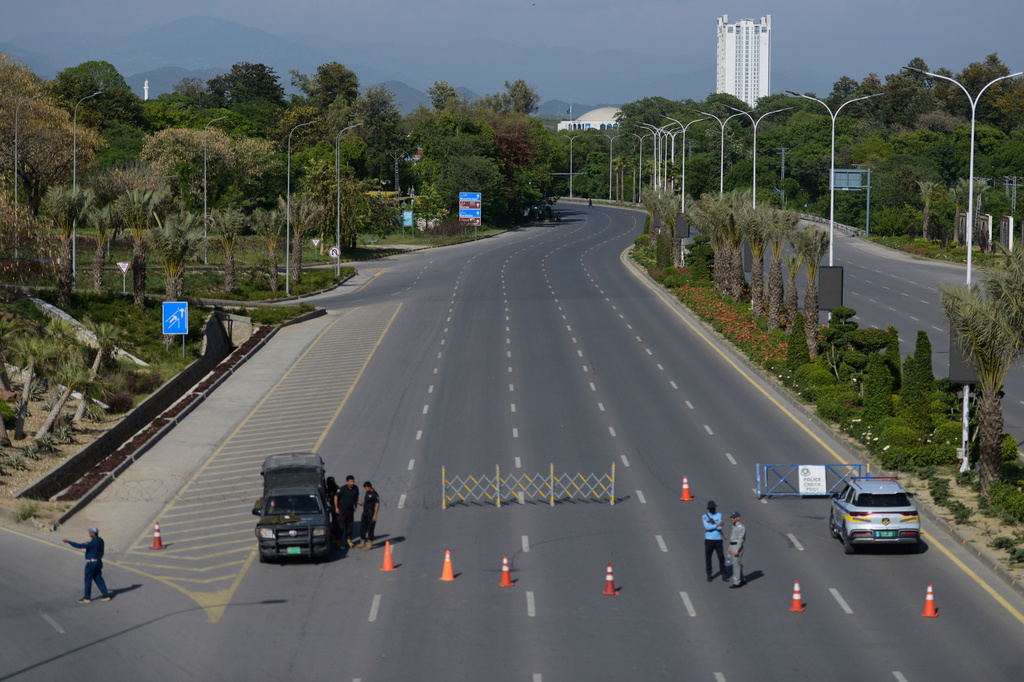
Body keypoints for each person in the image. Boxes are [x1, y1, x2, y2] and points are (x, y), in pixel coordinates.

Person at [62, 527, 111, 603]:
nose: (89, 533)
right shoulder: (101, 540)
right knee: (98, 578)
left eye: (90, 532)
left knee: (88, 580)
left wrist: (69, 542)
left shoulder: (92, 542)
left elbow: (80, 546)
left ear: (93, 533)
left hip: (91, 563)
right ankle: (106, 595)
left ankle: (86, 598)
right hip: (98, 562)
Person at [703, 500, 726, 583]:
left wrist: (713, 526)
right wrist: (717, 525)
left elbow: (719, 528)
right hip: (709, 540)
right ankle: (709, 574)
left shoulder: (719, 515)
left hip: (718, 540)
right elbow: (707, 527)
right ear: (709, 509)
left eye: (713, 508)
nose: (712, 509)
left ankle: (724, 574)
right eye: (711, 508)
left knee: (721, 557)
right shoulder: (705, 516)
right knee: (708, 558)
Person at [336, 475, 360, 548]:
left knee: (350, 526)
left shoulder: (356, 488)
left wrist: (355, 506)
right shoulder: (342, 489)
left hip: (350, 510)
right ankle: (338, 542)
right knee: (340, 527)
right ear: (347, 482)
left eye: (353, 481)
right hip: (342, 511)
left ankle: (348, 540)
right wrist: (336, 508)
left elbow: (356, 497)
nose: (352, 483)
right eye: (351, 482)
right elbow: (335, 497)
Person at [358, 481, 380, 550]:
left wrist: (375, 515)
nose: (365, 489)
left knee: (370, 528)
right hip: (365, 512)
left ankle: (370, 543)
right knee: (363, 527)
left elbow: (377, 505)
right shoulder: (367, 493)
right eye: (365, 488)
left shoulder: (375, 494)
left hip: (371, 513)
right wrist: (363, 503)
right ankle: (362, 542)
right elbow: (368, 502)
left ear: (370, 487)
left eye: (366, 488)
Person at [728, 511, 747, 588]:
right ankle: (742, 579)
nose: (732, 519)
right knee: (737, 564)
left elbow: (740, 539)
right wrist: (729, 547)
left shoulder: (741, 527)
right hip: (733, 545)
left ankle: (737, 582)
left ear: (738, 518)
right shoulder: (734, 525)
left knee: (736, 565)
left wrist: (737, 550)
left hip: (737, 546)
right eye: (731, 517)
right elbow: (733, 537)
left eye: (733, 517)